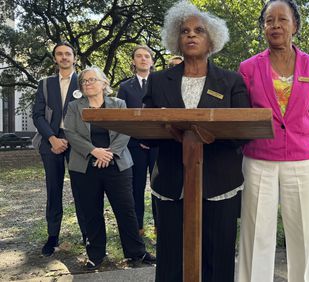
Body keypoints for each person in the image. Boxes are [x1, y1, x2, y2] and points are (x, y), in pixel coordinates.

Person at [142, 1, 250, 281]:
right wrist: (164, 125)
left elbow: (244, 131)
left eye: (198, 30)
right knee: (171, 261)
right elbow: (143, 132)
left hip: (219, 183)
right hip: (171, 182)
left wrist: (200, 133)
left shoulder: (232, 82)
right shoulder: (157, 81)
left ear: (211, 39)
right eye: (184, 31)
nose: (191, 35)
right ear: (176, 40)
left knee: (218, 260)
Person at [237, 0, 309, 280]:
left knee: (304, 232)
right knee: (256, 232)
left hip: (302, 158)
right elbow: (245, 113)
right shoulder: (248, 68)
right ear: (263, 27)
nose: (275, 25)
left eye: (282, 20)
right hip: (259, 157)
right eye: (268, 20)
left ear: (295, 25)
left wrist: (304, 141)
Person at [63, 66, 156, 270]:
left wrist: (110, 153)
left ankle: (136, 253)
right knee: (91, 211)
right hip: (86, 165)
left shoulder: (118, 104)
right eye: (84, 81)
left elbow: (125, 131)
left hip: (118, 165)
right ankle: (96, 254)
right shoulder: (73, 107)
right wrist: (95, 151)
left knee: (126, 210)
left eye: (92, 80)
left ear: (104, 83)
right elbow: (70, 132)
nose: (87, 83)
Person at [31, 42, 86, 256]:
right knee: (54, 190)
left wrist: (72, 138)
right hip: (51, 143)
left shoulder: (84, 81)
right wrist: (52, 138)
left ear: (74, 57)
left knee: (81, 190)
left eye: (68, 54)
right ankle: (52, 236)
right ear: (55, 58)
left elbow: (88, 112)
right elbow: (37, 115)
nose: (64, 57)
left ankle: (87, 235)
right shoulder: (45, 84)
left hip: (77, 143)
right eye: (59, 54)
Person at [117, 45, 158, 237]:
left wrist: (152, 138)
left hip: (159, 144)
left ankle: (161, 226)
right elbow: (123, 119)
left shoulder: (162, 83)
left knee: (159, 186)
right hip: (135, 145)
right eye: (139, 56)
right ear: (133, 61)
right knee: (136, 187)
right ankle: (138, 228)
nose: (143, 59)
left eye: (147, 56)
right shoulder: (125, 87)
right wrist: (139, 137)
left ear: (152, 61)